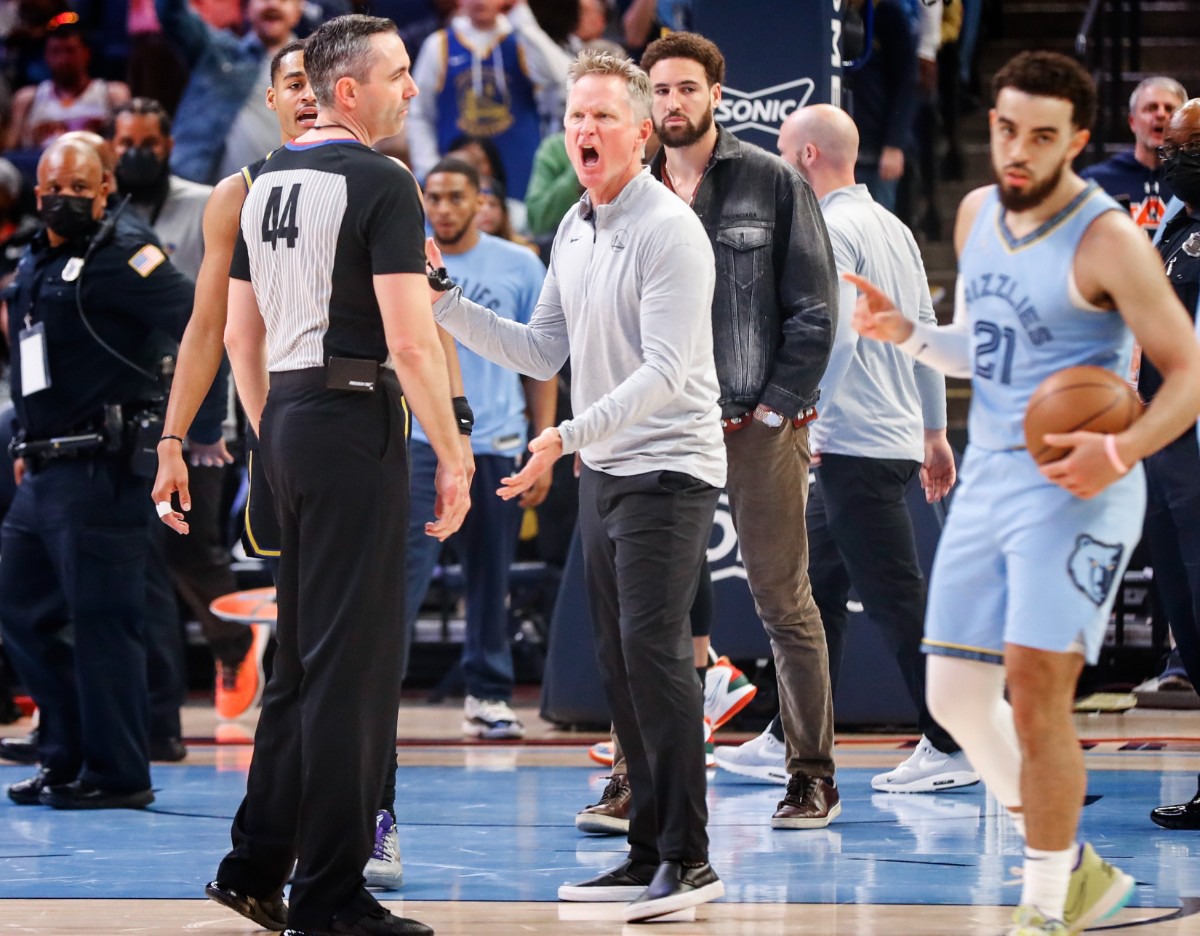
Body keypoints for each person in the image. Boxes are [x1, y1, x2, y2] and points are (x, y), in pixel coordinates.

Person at [849, 51, 1200, 935]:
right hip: (992, 473)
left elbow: (1189, 370)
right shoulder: (973, 215)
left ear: (1077, 142)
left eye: (1042, 136)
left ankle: (1045, 903)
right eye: (1006, 128)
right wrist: (907, 334)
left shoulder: (1107, 236)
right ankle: (1075, 870)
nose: (1016, 149)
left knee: (1036, 693)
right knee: (955, 697)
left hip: (1077, 488)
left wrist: (1120, 448)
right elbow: (985, 348)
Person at [431, 48, 727, 921]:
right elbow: (540, 351)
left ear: (641, 132)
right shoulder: (572, 224)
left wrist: (562, 434)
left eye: (603, 116)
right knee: (618, 663)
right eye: (574, 118)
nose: (585, 130)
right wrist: (444, 299)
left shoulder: (671, 230)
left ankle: (691, 858)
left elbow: (669, 373)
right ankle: (645, 852)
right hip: (604, 466)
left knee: (657, 659)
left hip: (668, 468)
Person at [201, 16, 468, 936]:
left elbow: (242, 336)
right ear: (346, 90)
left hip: (286, 415)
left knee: (303, 665)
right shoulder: (382, 181)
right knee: (353, 673)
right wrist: (456, 451)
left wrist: (279, 429)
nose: (411, 89)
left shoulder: (261, 182)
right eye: (398, 74)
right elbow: (410, 336)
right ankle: (330, 896)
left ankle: (254, 864)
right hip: (354, 419)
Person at [715, 103, 977, 795]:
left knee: (895, 599)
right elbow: (923, 330)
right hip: (882, 437)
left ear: (804, 157)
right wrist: (934, 431)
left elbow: (836, 335)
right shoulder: (891, 225)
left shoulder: (829, 225)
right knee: (817, 594)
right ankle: (792, 735)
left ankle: (955, 742)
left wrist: (803, 405)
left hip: (851, 441)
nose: (774, 161)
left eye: (780, 149)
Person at [640, 32, 841, 829]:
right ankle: (637, 777)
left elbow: (816, 309)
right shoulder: (631, 188)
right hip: (659, 426)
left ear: (717, 93)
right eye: (658, 91)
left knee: (782, 600)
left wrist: (775, 405)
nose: (672, 105)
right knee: (648, 608)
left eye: (687, 89)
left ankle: (812, 774)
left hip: (755, 424)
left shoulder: (772, 181)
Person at [0, 138, 194, 810]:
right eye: (55, 185)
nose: (66, 197)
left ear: (107, 187)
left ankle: (118, 773)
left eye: (81, 187)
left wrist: (185, 430)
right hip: (43, 465)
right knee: (20, 610)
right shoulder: (37, 253)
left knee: (104, 624)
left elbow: (198, 324)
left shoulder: (128, 255)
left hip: (102, 468)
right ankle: (67, 755)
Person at [407, 156, 554, 739]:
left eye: (454, 197)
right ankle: (373, 695)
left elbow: (544, 360)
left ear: (481, 201)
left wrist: (543, 439)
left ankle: (488, 695)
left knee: (490, 577)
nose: (443, 208)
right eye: (433, 197)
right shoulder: (403, 259)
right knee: (405, 574)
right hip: (420, 439)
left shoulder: (519, 263)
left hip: (499, 439)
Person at [1144, 99, 1200, 832]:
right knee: (1188, 624)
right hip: (1164, 449)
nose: (1173, 156)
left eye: (1185, 145)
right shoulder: (1174, 221)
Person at [407, 0, 572, 198]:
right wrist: (429, 168)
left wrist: (524, 21)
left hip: (522, 172)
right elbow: (419, 115)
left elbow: (565, 81)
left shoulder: (522, 41)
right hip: (456, 177)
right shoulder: (438, 45)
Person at [156, 0, 303, 184]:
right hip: (199, 189)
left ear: (298, 11)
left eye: (283, 0)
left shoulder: (315, 70)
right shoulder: (216, 51)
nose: (272, 4)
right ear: (246, 10)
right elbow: (172, 15)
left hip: (275, 197)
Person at [1080, 76, 1186, 236]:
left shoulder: (1192, 182)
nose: (1160, 114)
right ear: (1132, 121)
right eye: (1151, 108)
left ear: (1182, 123)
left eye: (1170, 109)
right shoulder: (1096, 181)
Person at [5, 25, 131, 153]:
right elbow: (10, 148)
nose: (63, 60)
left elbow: (127, 144)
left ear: (86, 53)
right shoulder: (27, 98)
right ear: (46, 56)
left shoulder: (112, 93)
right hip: (36, 166)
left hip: (94, 164)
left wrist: (102, 130)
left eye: (70, 51)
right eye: (55, 52)